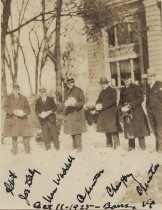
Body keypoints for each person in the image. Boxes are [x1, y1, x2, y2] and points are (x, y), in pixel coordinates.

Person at [119, 73, 150, 151]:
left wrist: (130, 105)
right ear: (123, 80)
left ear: (130, 79)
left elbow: (140, 98)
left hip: (136, 111)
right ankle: (131, 146)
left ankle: (142, 146)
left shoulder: (136, 87)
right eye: (125, 79)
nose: (126, 81)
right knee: (129, 128)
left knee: (139, 129)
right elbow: (121, 101)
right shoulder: (122, 90)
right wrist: (120, 107)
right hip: (127, 112)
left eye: (128, 79)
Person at [3, 83, 32, 155]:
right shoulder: (8, 97)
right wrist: (13, 111)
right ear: (12, 89)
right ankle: (15, 153)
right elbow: (5, 107)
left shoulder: (24, 98)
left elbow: (28, 109)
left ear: (19, 89)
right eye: (14, 89)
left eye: (17, 89)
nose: (16, 90)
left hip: (22, 119)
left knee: (26, 136)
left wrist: (24, 112)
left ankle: (27, 152)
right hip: (13, 119)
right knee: (14, 137)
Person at [94, 77, 121, 149]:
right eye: (102, 84)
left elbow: (113, 101)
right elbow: (98, 100)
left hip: (112, 113)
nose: (103, 85)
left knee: (113, 128)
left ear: (107, 83)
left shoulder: (113, 91)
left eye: (104, 84)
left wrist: (102, 105)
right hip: (104, 113)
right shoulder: (102, 92)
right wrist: (97, 105)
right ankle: (109, 143)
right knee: (106, 128)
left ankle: (117, 144)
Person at [63, 78, 87, 152]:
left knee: (77, 131)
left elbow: (82, 101)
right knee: (72, 131)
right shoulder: (66, 92)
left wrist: (75, 104)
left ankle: (79, 148)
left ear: (74, 83)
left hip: (77, 113)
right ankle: (74, 147)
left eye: (71, 83)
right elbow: (65, 102)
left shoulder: (79, 90)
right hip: (70, 114)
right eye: (68, 83)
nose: (70, 84)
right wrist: (66, 105)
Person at [146, 69, 162, 153]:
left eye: (151, 76)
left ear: (154, 77)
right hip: (151, 111)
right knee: (154, 129)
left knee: (160, 129)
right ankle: (157, 147)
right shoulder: (148, 86)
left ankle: (160, 148)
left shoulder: (159, 85)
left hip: (159, 112)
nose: (149, 78)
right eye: (148, 76)